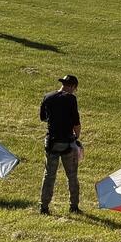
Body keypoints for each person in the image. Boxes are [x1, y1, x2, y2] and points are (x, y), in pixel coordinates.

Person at [38, 75, 81, 214]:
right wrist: (76, 137)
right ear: (73, 86)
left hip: (51, 142)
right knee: (72, 175)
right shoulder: (71, 99)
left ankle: (44, 206)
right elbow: (76, 123)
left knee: (49, 175)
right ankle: (73, 206)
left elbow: (43, 117)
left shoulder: (47, 96)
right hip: (67, 142)